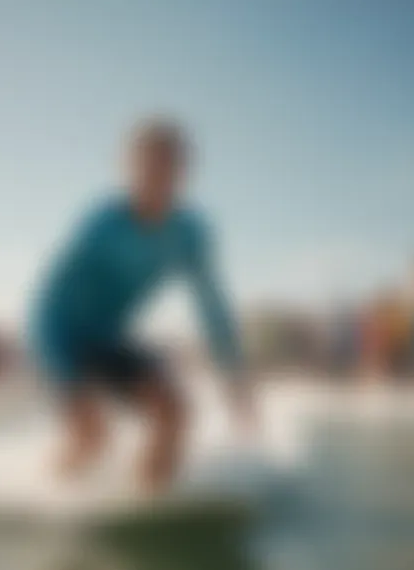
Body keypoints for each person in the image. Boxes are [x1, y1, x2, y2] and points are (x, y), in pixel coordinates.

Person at [29, 118, 251, 493]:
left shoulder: (191, 233)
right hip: (59, 332)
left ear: (183, 173)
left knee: (175, 414)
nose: (154, 179)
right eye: (145, 167)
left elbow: (211, 306)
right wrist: (73, 385)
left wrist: (233, 377)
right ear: (127, 169)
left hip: (108, 336)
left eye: (167, 167)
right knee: (91, 437)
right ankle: (41, 496)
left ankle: (148, 499)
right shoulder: (103, 222)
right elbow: (56, 296)